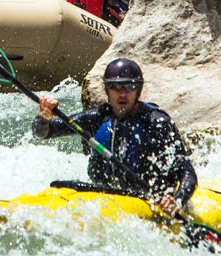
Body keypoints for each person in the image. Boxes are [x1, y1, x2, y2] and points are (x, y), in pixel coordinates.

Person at [33, 58, 197, 215]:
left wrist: (177, 200)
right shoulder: (96, 118)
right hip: (104, 197)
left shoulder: (157, 123)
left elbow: (187, 172)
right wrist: (43, 118)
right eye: (115, 87)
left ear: (138, 90)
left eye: (128, 87)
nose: (122, 94)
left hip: (150, 200)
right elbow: (42, 133)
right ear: (107, 90)